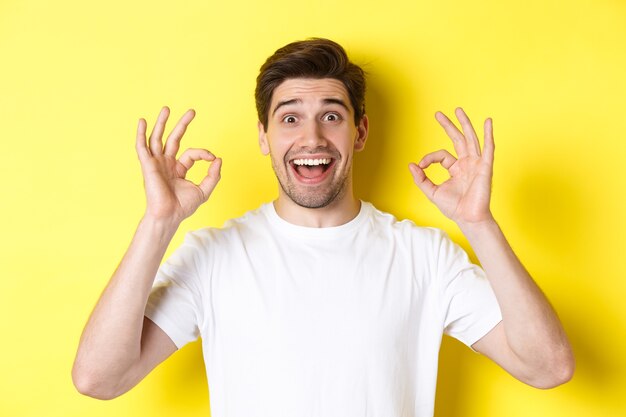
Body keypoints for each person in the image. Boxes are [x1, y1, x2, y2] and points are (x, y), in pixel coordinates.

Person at [72, 38, 574, 416]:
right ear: (264, 138)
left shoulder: (425, 256)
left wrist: (479, 224)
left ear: (359, 132)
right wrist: (158, 224)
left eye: (331, 116)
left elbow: (548, 367)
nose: (311, 136)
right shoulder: (214, 256)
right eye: (289, 119)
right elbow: (99, 378)